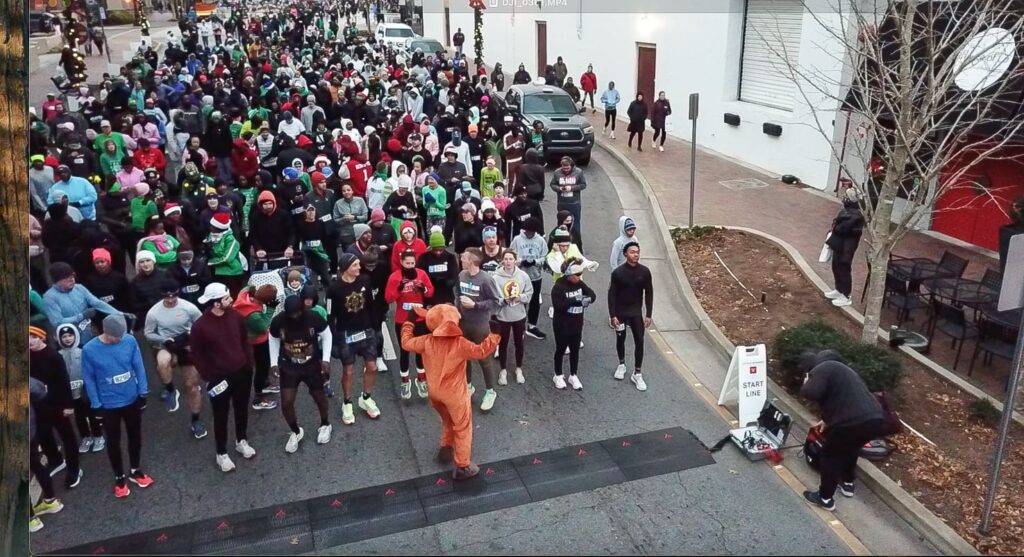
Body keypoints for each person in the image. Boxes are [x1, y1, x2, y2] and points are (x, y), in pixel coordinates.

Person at [400, 304, 500, 480]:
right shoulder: (459, 343)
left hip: (434, 393)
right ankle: (463, 466)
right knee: (462, 426)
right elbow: (480, 351)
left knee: (447, 419)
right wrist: (494, 335)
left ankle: (446, 448)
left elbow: (406, 343)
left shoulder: (426, 341)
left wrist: (409, 321)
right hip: (454, 395)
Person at [799, 350, 888, 511]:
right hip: (875, 418)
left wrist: (807, 381)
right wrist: (826, 421)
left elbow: (810, 392)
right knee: (851, 448)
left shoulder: (821, 368)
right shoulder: (842, 371)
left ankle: (825, 498)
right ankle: (847, 483)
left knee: (830, 455)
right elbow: (839, 400)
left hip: (851, 422)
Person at [81, 314, 154, 498]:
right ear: (105, 331)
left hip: (131, 400)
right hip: (108, 405)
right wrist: (96, 405)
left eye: (121, 335)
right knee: (113, 442)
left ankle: (135, 470)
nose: (119, 339)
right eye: (115, 336)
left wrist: (143, 392)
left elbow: (138, 366)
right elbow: (88, 379)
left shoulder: (129, 341)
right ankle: (119, 477)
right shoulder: (89, 350)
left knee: (135, 436)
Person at [190, 283, 258, 472]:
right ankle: (221, 453)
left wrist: (248, 364)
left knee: (241, 409)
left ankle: (241, 441)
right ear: (217, 303)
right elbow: (196, 354)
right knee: (220, 416)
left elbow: (245, 340)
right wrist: (209, 376)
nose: (231, 300)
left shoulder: (235, 316)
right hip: (219, 378)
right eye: (227, 298)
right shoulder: (200, 327)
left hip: (242, 373)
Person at [268, 295, 334, 452]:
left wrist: (326, 359)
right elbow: (273, 338)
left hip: (311, 365)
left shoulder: (313, 318)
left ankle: (325, 424)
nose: (295, 317)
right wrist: (273, 362)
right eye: (292, 315)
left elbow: (327, 335)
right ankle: (296, 431)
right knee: (286, 402)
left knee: (319, 397)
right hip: (289, 366)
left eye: (298, 313)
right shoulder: (278, 321)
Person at [144, 280, 207, 438]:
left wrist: (192, 338)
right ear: (162, 296)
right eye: (167, 297)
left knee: (191, 387)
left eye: (174, 296)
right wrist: (164, 340)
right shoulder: (153, 313)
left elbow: (202, 325)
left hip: (186, 345)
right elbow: (148, 333)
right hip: (168, 345)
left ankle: (196, 420)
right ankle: (171, 390)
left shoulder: (189, 307)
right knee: (162, 362)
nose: (171, 300)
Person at [327, 253, 381, 425]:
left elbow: (372, 305)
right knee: (348, 371)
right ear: (346, 269)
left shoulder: (365, 280)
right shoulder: (333, 289)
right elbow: (330, 315)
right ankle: (347, 402)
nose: (360, 268)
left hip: (366, 330)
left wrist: (376, 327)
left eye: (359, 265)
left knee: (372, 367)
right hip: (346, 333)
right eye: (355, 265)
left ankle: (365, 397)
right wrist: (334, 340)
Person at [30, 326, 82, 489]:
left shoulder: (53, 356)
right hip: (38, 405)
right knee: (44, 435)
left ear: (42, 338)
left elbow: (63, 381)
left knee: (67, 437)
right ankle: (55, 460)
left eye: (33, 337)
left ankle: (74, 469)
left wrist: (68, 405)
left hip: (58, 404)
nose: (30, 341)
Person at [385, 250, 434, 399]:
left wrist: (423, 289)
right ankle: (405, 382)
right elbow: (388, 298)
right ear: (402, 263)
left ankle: (421, 379)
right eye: (407, 263)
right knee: (404, 351)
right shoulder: (395, 277)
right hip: (402, 320)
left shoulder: (421, 274)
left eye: (412, 263)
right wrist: (398, 289)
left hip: (419, 319)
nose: (410, 266)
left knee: (420, 351)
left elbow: (430, 292)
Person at [458, 248, 502, 411]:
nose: (461, 259)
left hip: (480, 326)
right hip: (464, 324)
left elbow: (496, 302)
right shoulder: (461, 275)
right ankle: (468, 387)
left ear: (471, 261)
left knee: (484, 359)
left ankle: (490, 391)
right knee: (465, 357)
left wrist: (475, 305)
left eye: (463, 257)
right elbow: (458, 297)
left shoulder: (485, 279)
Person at [608, 243, 653, 392]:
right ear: (625, 254)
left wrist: (648, 314)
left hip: (635, 312)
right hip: (621, 312)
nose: (636, 255)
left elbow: (649, 293)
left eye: (637, 252)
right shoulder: (618, 273)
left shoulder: (645, 272)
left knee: (639, 341)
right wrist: (612, 315)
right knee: (620, 339)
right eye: (632, 252)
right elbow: (611, 295)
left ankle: (637, 373)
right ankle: (621, 364)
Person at [56, 323, 105, 453]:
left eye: (70, 335)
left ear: (75, 335)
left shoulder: (83, 351)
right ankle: (86, 437)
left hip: (86, 391)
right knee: (79, 417)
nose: (67, 338)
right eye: (64, 336)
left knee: (92, 414)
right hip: (71, 393)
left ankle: (98, 435)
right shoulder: (58, 355)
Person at [551, 259, 597, 390]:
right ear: (568, 274)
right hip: (562, 324)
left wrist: (588, 299)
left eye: (580, 274)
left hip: (577, 323)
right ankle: (558, 374)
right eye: (576, 275)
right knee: (560, 349)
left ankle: (573, 374)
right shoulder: (558, 287)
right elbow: (558, 305)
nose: (579, 277)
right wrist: (575, 300)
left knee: (575, 350)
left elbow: (592, 294)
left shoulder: (580, 284)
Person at [29, 374, 64, 533]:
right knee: (35, 464)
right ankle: (50, 500)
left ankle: (30, 519)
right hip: (29, 429)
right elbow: (40, 389)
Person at [493, 250, 533, 385]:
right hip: (503, 316)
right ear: (502, 261)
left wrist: (520, 297)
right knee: (502, 344)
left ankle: (518, 368)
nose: (508, 261)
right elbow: (493, 297)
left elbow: (529, 293)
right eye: (506, 259)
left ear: (515, 261)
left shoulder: (523, 276)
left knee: (519, 343)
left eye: (511, 259)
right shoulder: (496, 278)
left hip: (519, 315)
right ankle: (503, 370)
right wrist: (502, 301)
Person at [823, 188, 864, 308]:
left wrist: (837, 226)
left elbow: (842, 229)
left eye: (846, 196)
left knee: (844, 269)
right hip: (839, 245)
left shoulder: (856, 215)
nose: (844, 198)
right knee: (836, 267)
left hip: (847, 248)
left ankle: (846, 296)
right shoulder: (847, 211)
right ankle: (838, 290)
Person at [549, 156, 587, 238]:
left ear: (572, 166)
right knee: (561, 223)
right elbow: (552, 184)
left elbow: (583, 185)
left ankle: (576, 242)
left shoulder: (578, 172)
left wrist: (572, 188)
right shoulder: (557, 173)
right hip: (562, 203)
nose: (566, 170)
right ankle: (560, 239)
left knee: (575, 224)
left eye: (567, 168)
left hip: (575, 203)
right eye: (564, 168)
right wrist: (559, 188)